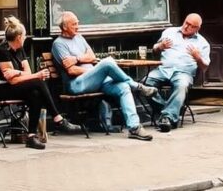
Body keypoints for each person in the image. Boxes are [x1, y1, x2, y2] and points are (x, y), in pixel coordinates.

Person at [51, 11, 158, 141]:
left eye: (77, 23)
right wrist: (94, 72)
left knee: (124, 87)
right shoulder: (59, 44)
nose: (77, 27)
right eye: (74, 24)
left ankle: (134, 127)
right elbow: (72, 70)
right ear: (64, 27)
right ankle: (138, 86)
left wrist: (77, 58)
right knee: (108, 62)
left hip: (95, 81)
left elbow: (92, 57)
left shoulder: (79, 37)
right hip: (77, 84)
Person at [0, 16, 82, 149]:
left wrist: (17, 72)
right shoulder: (2, 50)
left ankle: (31, 136)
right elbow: (12, 80)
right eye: (24, 36)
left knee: (35, 93)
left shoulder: (20, 49)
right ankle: (58, 119)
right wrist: (33, 75)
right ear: (19, 37)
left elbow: (26, 74)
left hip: (12, 85)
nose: (25, 38)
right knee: (38, 82)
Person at [145, 13, 210, 132]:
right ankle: (169, 113)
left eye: (191, 26)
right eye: (186, 23)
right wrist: (160, 46)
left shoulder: (202, 43)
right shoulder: (169, 32)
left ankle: (168, 117)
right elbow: (154, 50)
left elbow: (205, 67)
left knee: (181, 85)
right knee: (144, 83)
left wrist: (198, 57)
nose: (186, 27)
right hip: (163, 69)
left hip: (183, 73)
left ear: (197, 28)